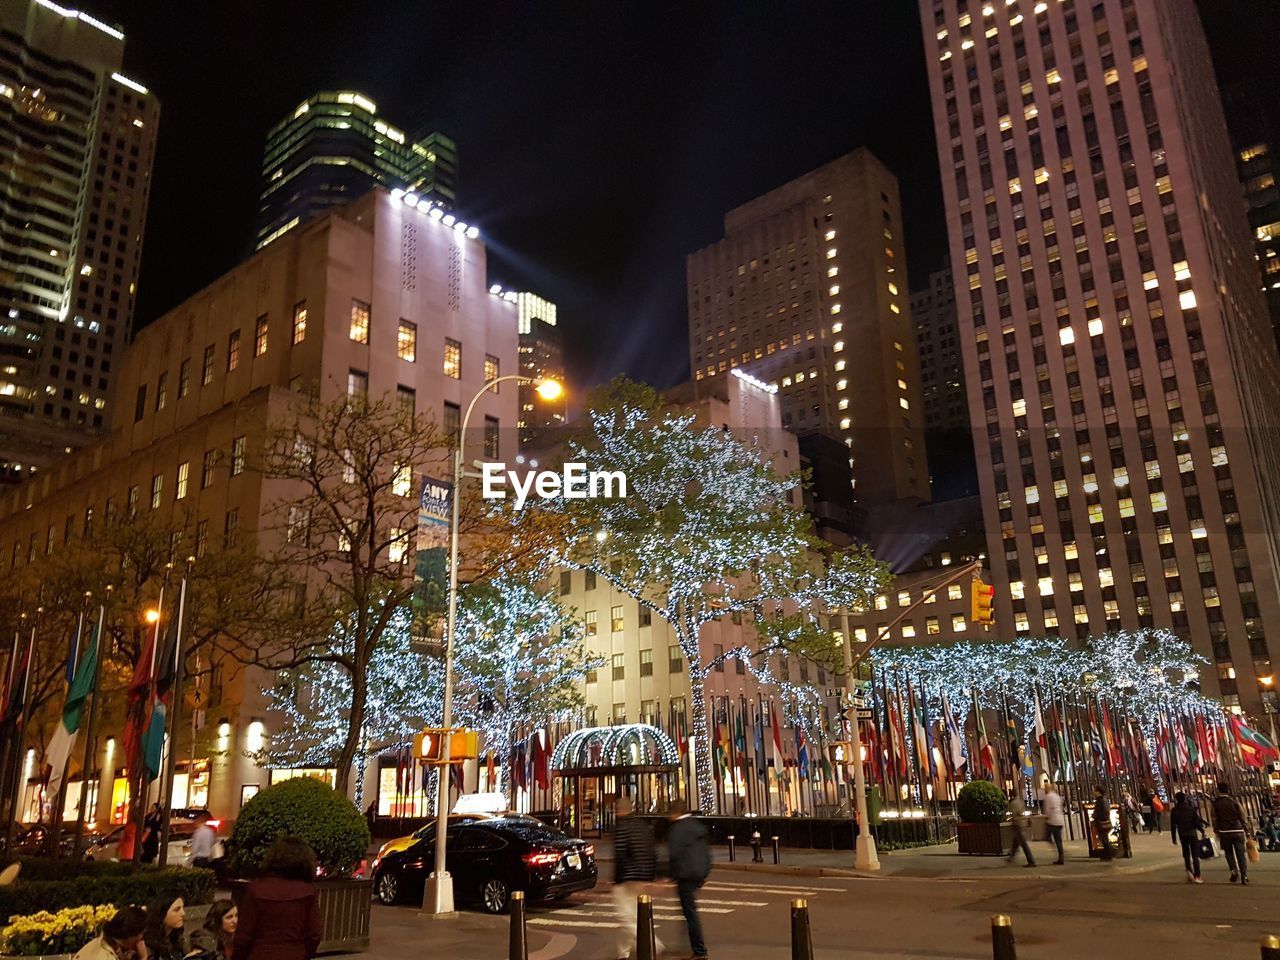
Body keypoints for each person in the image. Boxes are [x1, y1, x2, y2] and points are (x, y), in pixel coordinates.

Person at [232, 835, 323, 960]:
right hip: (294, 954)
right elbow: (314, 935)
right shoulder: (307, 892)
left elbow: (244, 936)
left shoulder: (257, 889)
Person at [611, 797, 663, 960]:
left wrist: (617, 879)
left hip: (628, 878)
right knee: (633, 915)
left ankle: (654, 944)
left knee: (625, 917)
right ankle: (623, 953)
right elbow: (653, 852)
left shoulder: (622, 827)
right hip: (644, 877)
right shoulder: (643, 826)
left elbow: (620, 854)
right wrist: (651, 876)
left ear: (619, 811)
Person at [667, 800, 711, 960]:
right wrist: (704, 873)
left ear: (675, 813)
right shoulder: (696, 825)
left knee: (690, 912)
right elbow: (706, 852)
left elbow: (675, 854)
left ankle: (699, 950)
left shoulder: (678, 829)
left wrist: (670, 875)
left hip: (685, 874)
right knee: (689, 911)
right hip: (698, 873)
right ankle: (692, 946)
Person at [74, 905, 148, 960]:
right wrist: (143, 958)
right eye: (142, 934)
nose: (142, 939)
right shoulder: (105, 957)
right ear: (131, 935)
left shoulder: (97, 943)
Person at [1211, 781, 1250, 885]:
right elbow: (1242, 816)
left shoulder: (1215, 803)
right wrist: (1247, 830)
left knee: (1228, 853)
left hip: (1224, 831)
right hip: (1238, 830)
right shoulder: (1234, 801)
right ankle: (1244, 875)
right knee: (1240, 854)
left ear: (1218, 790)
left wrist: (1216, 829)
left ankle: (1234, 871)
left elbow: (1214, 818)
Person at [1169, 791, 1206, 883]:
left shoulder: (1174, 810)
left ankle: (1189, 872)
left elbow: (1173, 825)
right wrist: (1202, 831)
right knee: (1195, 855)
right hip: (1192, 833)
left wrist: (1174, 838)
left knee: (1186, 854)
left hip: (1182, 834)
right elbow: (1196, 822)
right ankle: (1197, 875)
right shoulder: (1190, 809)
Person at [143, 896, 188, 960]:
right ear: (162, 913)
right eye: (177, 909)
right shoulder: (148, 945)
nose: (183, 913)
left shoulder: (175, 940)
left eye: (183, 908)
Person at [1005, 792, 1036, 866]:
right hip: (1022, 823)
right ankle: (1011, 856)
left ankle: (1031, 861)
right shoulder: (1020, 801)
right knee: (1016, 841)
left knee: (1023, 843)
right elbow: (1022, 811)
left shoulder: (1013, 803)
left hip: (1017, 824)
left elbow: (1015, 813)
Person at [1042, 783, 1065, 865]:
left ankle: (1059, 853)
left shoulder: (1048, 797)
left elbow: (1048, 809)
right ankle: (1061, 856)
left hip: (1052, 821)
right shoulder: (1057, 796)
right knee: (1059, 840)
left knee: (1047, 836)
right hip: (1060, 820)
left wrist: (1047, 817)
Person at [1092, 787, 1114, 861]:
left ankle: (1108, 855)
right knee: (1104, 839)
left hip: (1102, 822)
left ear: (1098, 792)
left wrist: (1097, 816)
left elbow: (1104, 811)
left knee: (1104, 839)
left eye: (1095, 791)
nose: (1093, 793)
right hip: (1103, 821)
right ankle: (1108, 854)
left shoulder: (1101, 800)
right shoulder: (1103, 799)